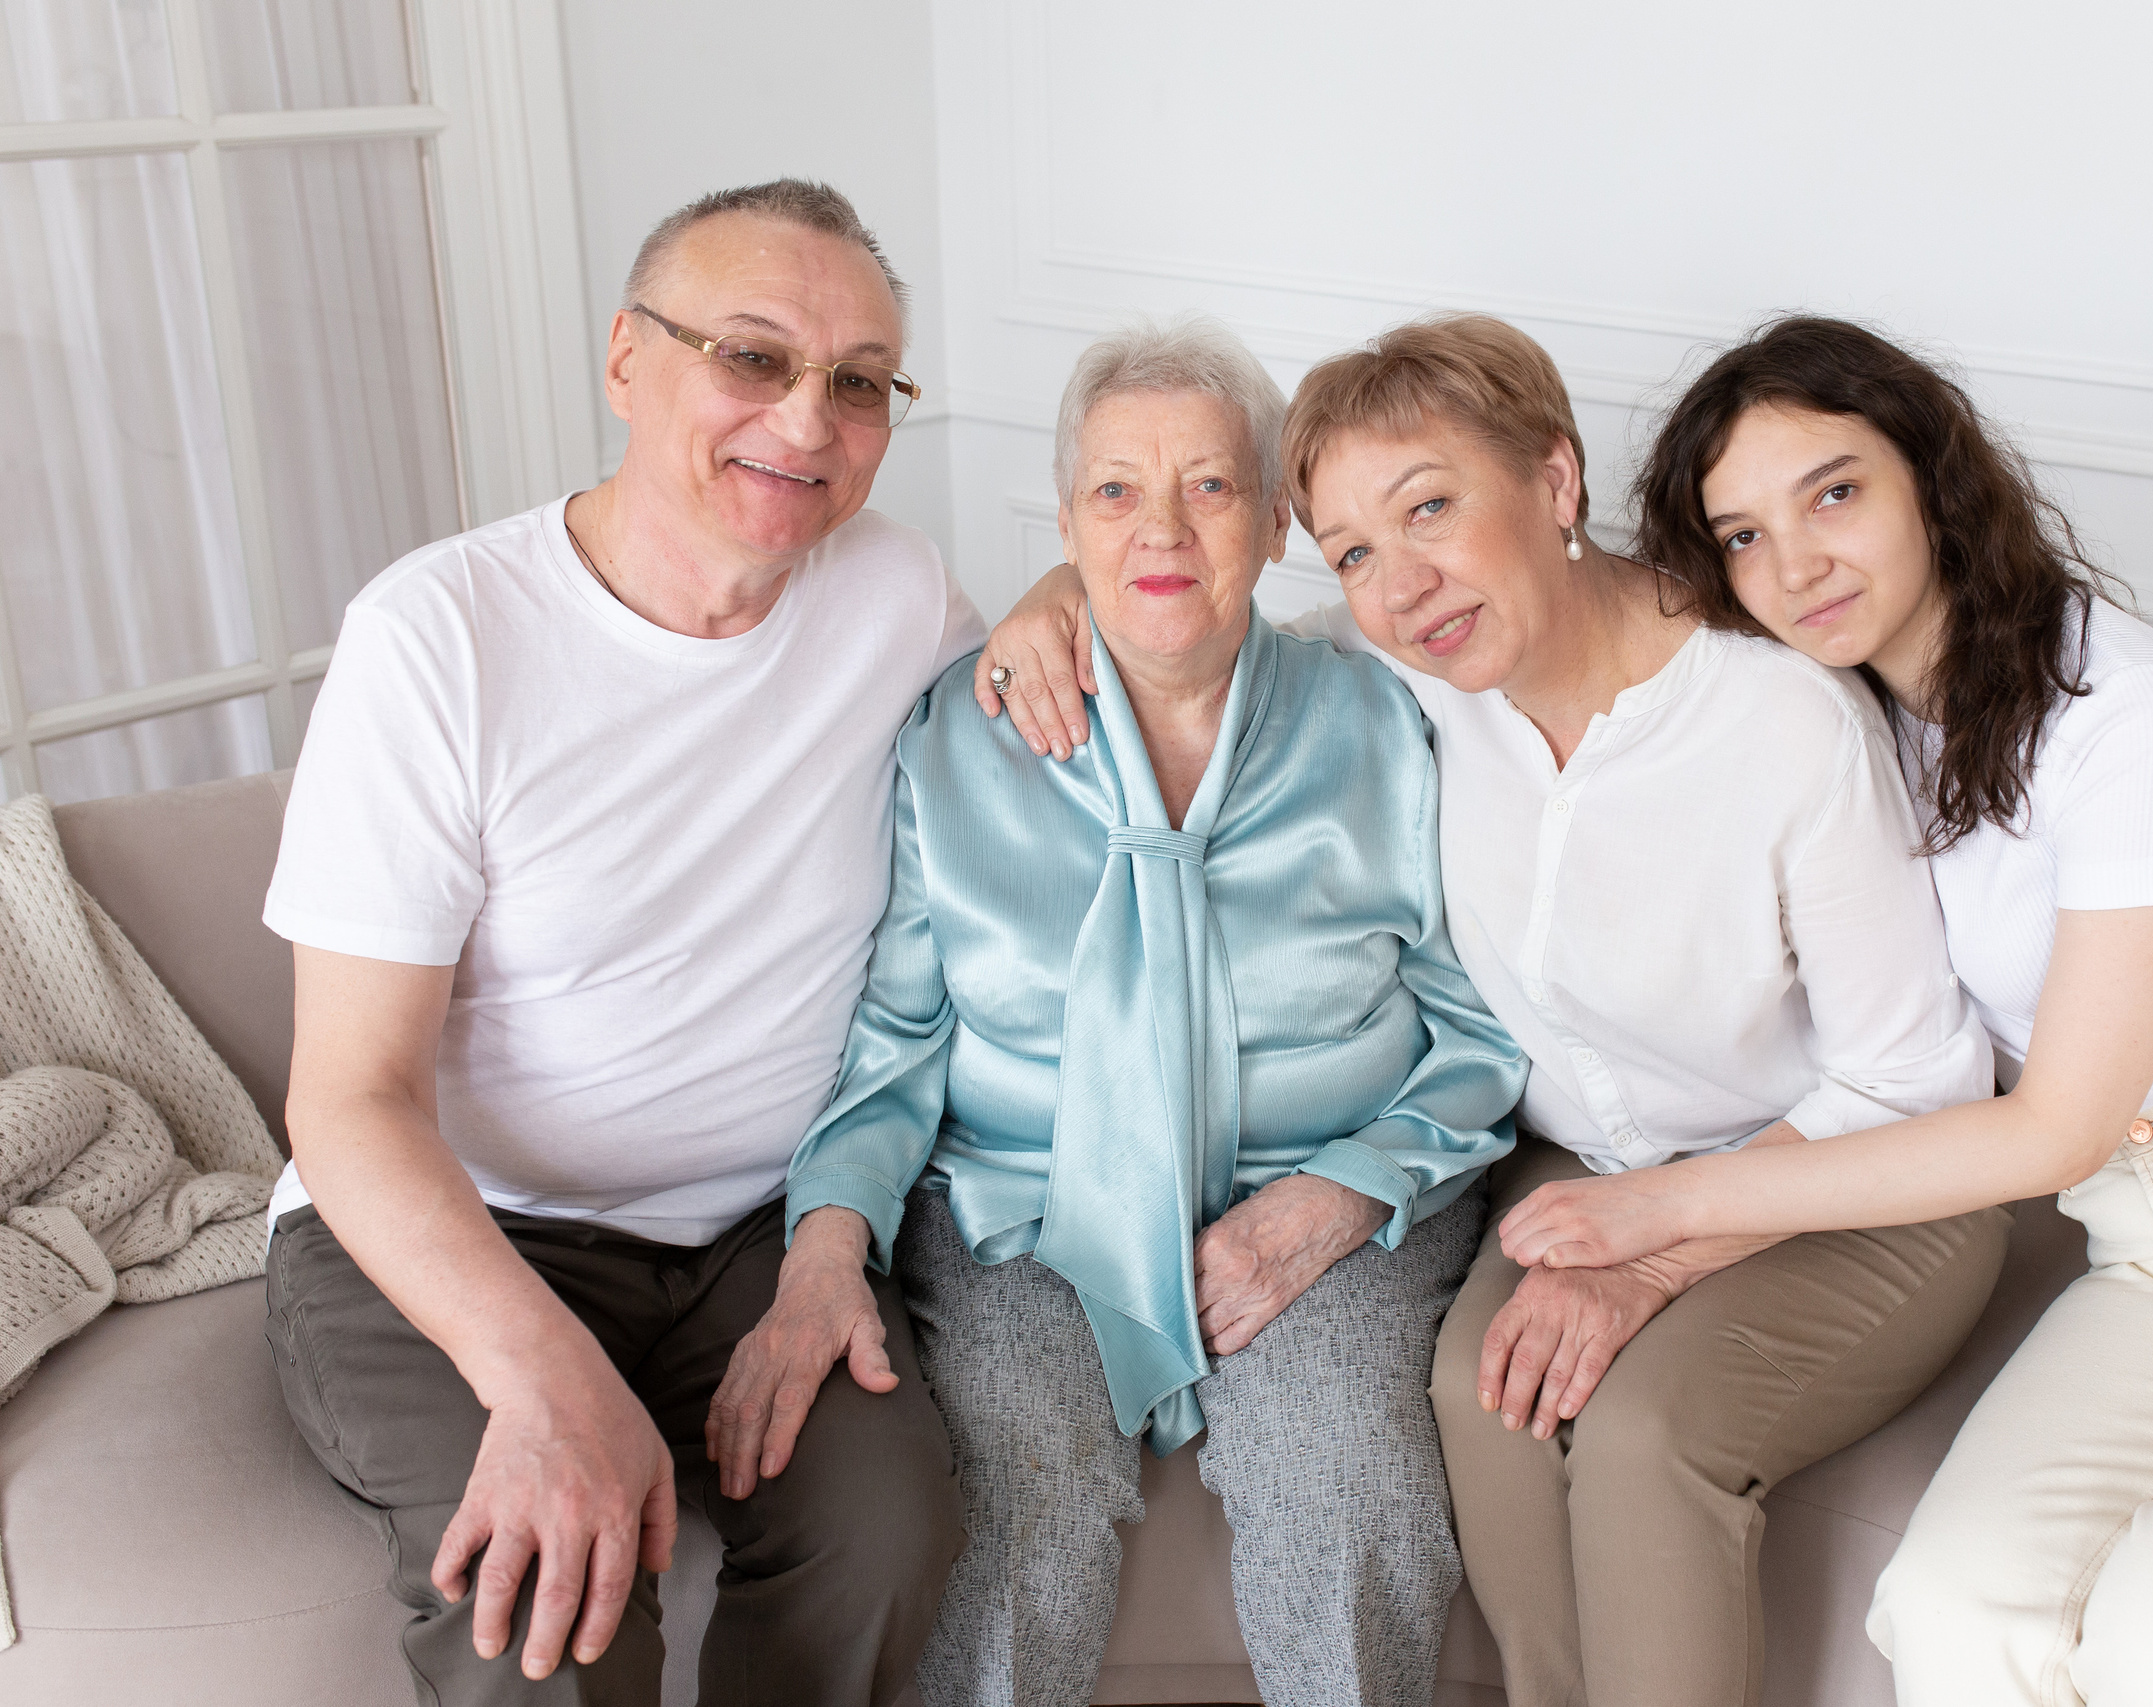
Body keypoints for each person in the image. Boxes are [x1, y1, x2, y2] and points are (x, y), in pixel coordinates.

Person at [1490, 314, 2153, 1706]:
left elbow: (2057, 1126)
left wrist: (1672, 1209)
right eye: (1741, 534)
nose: (1795, 561)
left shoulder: (2132, 711)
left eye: (1833, 492)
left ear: (1932, 475)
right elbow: (1542, 621)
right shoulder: (1839, 729)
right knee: (1952, 1610)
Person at [978, 313, 2011, 1707]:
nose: (1400, 583)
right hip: (1584, 1178)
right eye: (1352, 551)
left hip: (1850, 1178)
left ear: (1557, 482)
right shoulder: (1410, 676)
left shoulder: (1781, 723)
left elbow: (1916, 1079)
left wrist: (1651, 1256)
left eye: (1433, 511)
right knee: (1490, 1398)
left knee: (1640, 1434)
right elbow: (1192, 609)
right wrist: (1055, 592)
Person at [708, 318, 1525, 1707]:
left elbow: (1478, 1041)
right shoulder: (954, 734)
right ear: (1069, 526)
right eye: (1114, 493)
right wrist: (826, 1246)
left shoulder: (1389, 721)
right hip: (1026, 1209)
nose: (1161, 530)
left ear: (1277, 525)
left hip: (1324, 1195)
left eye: (1208, 488)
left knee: (1338, 1470)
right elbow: (895, 1050)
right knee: (1017, 1484)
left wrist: (1336, 1198)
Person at [260, 179, 975, 1705]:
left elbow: (1049, 755)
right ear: (626, 362)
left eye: (860, 382)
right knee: (546, 1610)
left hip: (756, 1238)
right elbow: (348, 1100)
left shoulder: (899, 597)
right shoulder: (439, 637)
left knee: (892, 1528)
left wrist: (1052, 610)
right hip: (471, 1226)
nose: (805, 418)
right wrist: (540, 1375)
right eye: (752, 356)